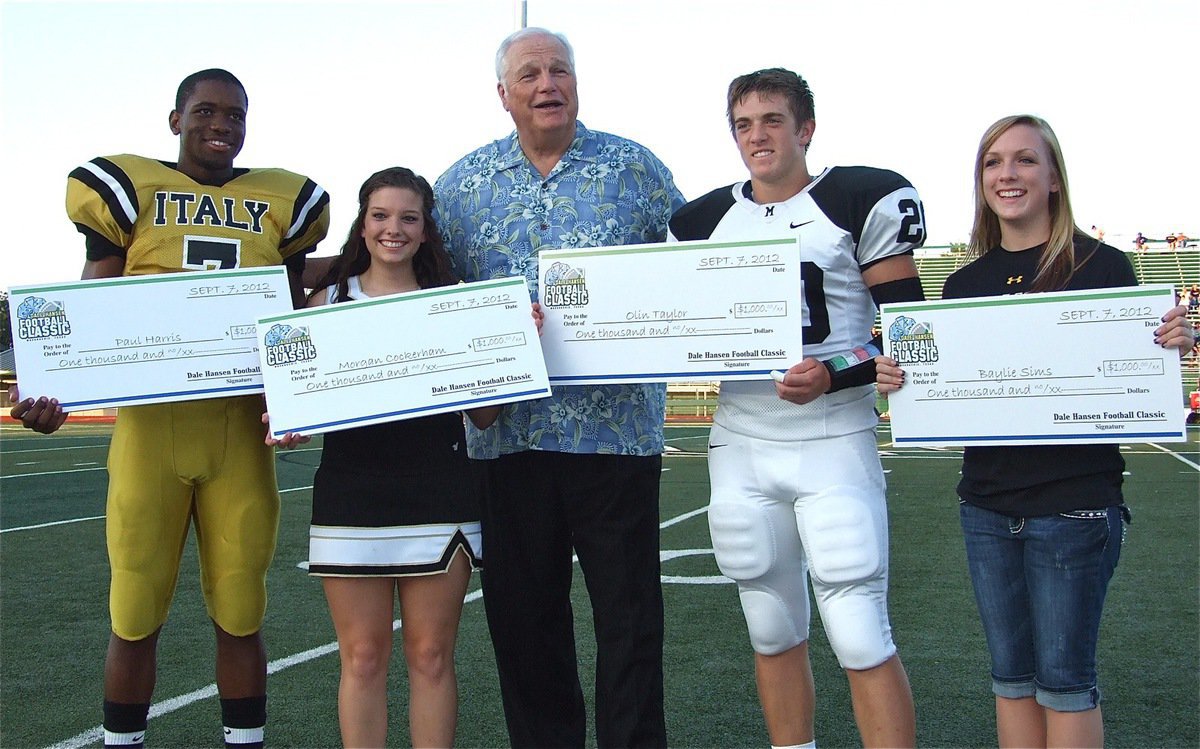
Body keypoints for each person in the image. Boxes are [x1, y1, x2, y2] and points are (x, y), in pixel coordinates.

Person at [8, 69, 330, 749]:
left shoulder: (284, 200)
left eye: (236, 114)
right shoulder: (128, 190)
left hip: (238, 430)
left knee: (242, 606)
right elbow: (90, 307)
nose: (222, 125)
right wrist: (55, 387)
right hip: (150, 430)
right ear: (175, 118)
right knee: (134, 608)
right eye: (206, 111)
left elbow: (295, 314)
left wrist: (301, 396)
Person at [875, 114, 1194, 749]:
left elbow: (1134, 365)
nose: (1007, 174)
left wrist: (1170, 344)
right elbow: (942, 383)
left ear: (1053, 178)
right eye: (993, 162)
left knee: (1066, 682)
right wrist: (901, 378)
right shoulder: (964, 283)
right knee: (1011, 679)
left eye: (1024, 160)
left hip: (1073, 504)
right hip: (986, 505)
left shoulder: (1103, 265)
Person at [431, 27, 684, 749]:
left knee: (630, 621)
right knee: (524, 621)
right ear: (503, 93)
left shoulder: (635, 168)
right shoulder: (459, 186)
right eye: (532, 73)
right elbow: (426, 294)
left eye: (560, 71)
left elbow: (697, 261)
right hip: (506, 437)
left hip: (618, 432)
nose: (548, 84)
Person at [668, 67, 923, 749]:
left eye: (772, 120)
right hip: (741, 440)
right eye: (744, 124)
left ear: (805, 128)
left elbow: (910, 332)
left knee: (860, 625)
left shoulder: (858, 197)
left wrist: (835, 374)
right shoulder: (697, 222)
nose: (758, 136)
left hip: (833, 435)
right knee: (770, 624)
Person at [269, 167, 497, 748]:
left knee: (430, 656)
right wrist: (289, 422)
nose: (393, 228)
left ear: (426, 231)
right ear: (362, 225)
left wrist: (504, 350)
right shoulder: (327, 302)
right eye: (380, 216)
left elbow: (486, 417)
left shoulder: (454, 306)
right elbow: (298, 404)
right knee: (364, 657)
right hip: (353, 495)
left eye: (408, 217)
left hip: (439, 491)